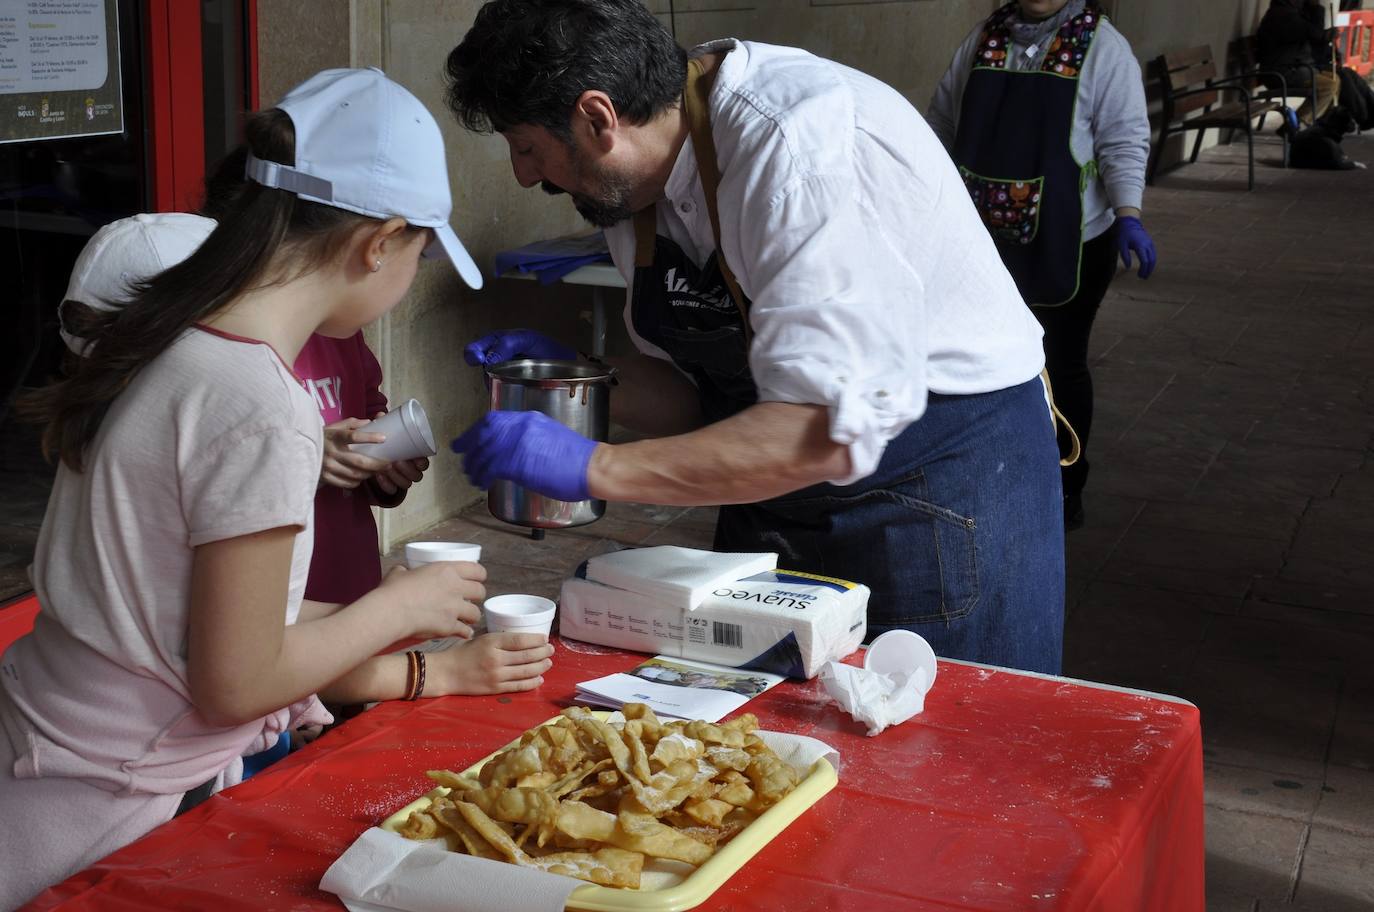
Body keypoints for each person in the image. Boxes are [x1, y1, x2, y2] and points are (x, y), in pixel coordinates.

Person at [0, 67, 510, 908]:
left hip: (54, 749)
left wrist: (398, 634)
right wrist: (395, 611)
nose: (411, 275)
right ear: (377, 242)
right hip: (121, 805)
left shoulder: (173, 335)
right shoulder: (261, 403)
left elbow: (185, 604)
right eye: (419, 253)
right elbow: (235, 680)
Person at [445, 0, 1066, 675]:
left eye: (528, 148)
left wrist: (595, 468)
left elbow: (818, 430)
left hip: (935, 488)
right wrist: (582, 381)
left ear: (597, 118)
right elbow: (701, 397)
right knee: (778, 741)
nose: (524, 177)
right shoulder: (630, 195)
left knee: (936, 752)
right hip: (777, 497)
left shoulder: (792, 145)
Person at [926, 0, 1155, 530]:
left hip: (1070, 238)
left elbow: (1123, 138)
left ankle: (1063, 486)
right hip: (981, 238)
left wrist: (1129, 213)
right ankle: (992, 478)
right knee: (984, 362)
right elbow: (941, 120)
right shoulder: (984, 38)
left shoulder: (1102, 46)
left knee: (1061, 361)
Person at [1258, 0, 1343, 126]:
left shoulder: (1285, 12)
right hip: (1281, 73)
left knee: (1335, 79)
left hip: (1287, 69)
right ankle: (1297, 124)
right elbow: (1316, 34)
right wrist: (1315, 8)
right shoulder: (1283, 16)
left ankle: (1311, 121)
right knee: (1328, 86)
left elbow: (1314, 33)